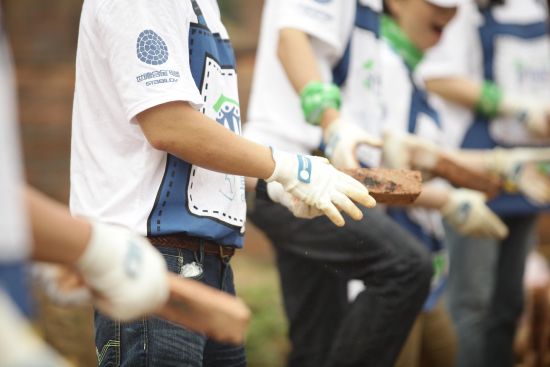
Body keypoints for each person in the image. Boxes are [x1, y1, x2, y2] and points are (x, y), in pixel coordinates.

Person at [70, 0, 376, 366]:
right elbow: (169, 126)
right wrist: (285, 167)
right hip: (149, 257)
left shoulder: (205, 8)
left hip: (207, 262)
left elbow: (205, 140)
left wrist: (274, 186)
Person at [244, 1, 437, 366]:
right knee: (406, 267)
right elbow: (291, 38)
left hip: (317, 174)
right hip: (289, 172)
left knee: (317, 342)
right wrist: (330, 120)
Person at [416, 0, 550, 366]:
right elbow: (435, 74)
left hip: (528, 174)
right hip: (474, 171)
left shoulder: (536, 11)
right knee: (472, 302)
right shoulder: (463, 11)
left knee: (509, 303)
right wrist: (511, 105)